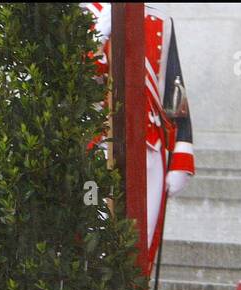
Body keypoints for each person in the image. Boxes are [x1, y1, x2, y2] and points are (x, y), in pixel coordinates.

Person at [83, 2, 194, 260]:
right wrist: (98, 35)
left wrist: (181, 157)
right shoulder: (84, 15)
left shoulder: (160, 20)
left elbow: (175, 92)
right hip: (98, 146)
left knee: (139, 244)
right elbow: (75, 83)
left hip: (150, 147)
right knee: (96, 243)